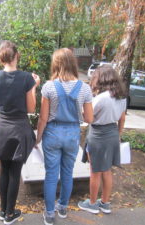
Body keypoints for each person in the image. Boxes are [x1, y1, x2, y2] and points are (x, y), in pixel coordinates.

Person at [0, 40, 40, 225]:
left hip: (2, 128)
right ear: (17, 56)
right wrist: (34, 87)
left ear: (1, 58)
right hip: (19, 129)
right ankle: (9, 215)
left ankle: (3, 211)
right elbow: (31, 108)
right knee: (15, 172)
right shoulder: (27, 78)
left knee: (4, 169)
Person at [36, 48, 93, 225]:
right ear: (73, 63)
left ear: (56, 64)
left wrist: (38, 137)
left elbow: (43, 117)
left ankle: (50, 213)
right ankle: (63, 208)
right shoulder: (84, 88)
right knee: (68, 172)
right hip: (72, 135)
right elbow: (89, 118)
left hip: (52, 133)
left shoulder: (48, 86)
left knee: (51, 174)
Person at [78, 65, 126, 214]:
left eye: (96, 77)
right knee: (106, 170)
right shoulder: (121, 96)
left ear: (102, 79)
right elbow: (122, 119)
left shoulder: (101, 98)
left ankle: (92, 204)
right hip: (112, 133)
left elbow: (88, 117)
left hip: (98, 135)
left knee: (95, 171)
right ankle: (105, 203)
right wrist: (117, 135)